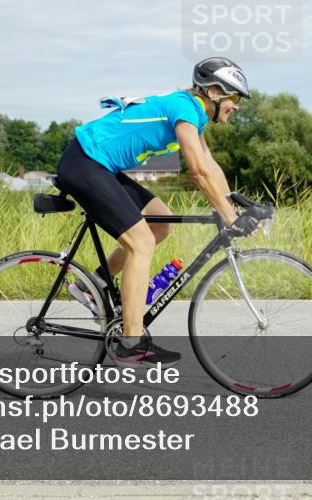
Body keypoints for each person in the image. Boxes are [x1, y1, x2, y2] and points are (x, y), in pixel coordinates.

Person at [55, 57, 252, 368]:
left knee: (161, 223)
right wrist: (228, 216)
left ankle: (91, 286)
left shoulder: (192, 114)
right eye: (234, 97)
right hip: (84, 163)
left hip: (101, 166)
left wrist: (234, 203)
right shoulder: (186, 108)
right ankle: (130, 343)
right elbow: (199, 172)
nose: (237, 106)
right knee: (142, 243)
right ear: (214, 92)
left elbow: (211, 166)